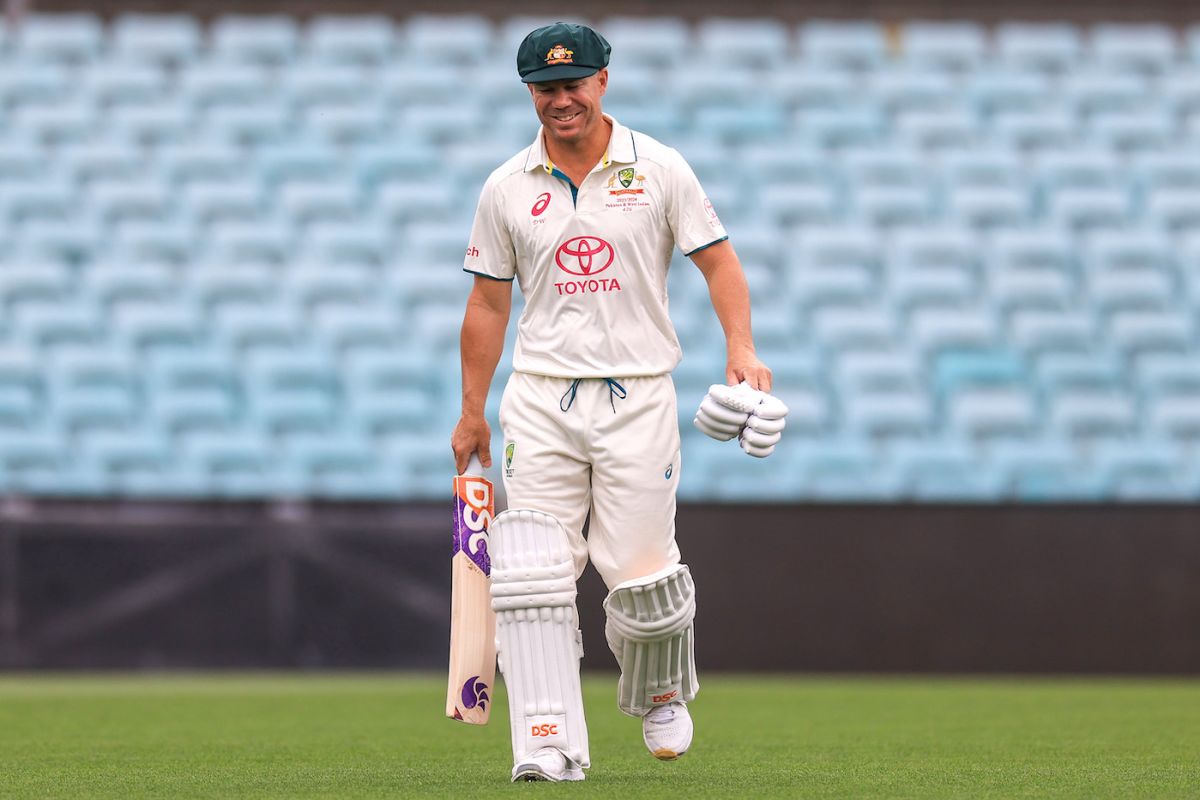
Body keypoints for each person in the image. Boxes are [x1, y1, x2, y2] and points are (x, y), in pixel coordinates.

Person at [450, 21, 784, 783]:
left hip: (637, 395)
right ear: (529, 91)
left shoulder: (659, 168)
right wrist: (473, 408)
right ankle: (546, 736)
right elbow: (487, 307)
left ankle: (662, 690)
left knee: (642, 574)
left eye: (573, 84)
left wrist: (741, 348)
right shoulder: (507, 185)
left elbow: (720, 264)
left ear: (603, 81)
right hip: (539, 398)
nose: (560, 100)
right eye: (544, 87)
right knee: (534, 571)